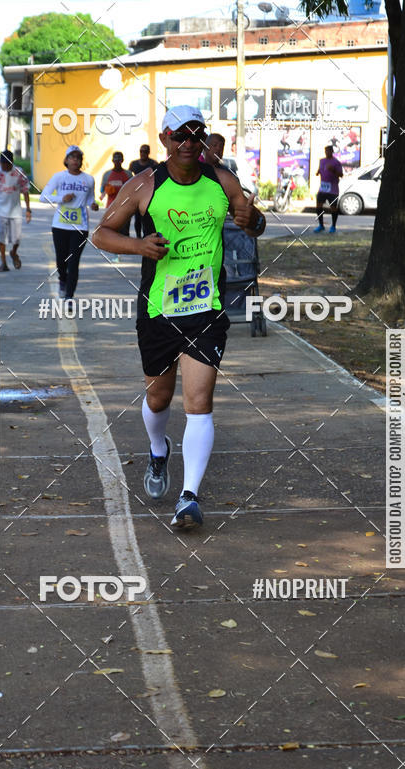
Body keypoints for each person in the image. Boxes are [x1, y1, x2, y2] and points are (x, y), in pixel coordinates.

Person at [92, 105, 266, 528]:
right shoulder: (144, 185)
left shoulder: (223, 181)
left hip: (205, 309)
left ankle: (189, 497)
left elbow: (252, 223)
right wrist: (140, 247)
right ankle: (157, 450)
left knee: (199, 403)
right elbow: (101, 233)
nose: (189, 143)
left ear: (203, 138)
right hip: (159, 309)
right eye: (181, 136)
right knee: (158, 398)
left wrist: (253, 220)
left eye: (196, 135)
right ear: (167, 138)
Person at [40, 145, 98, 301]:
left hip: (80, 226)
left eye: (78, 157)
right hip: (60, 225)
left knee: (74, 262)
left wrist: (93, 205)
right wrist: (61, 199)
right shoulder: (59, 177)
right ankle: (62, 280)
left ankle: (69, 296)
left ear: (81, 161)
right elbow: (42, 197)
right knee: (61, 259)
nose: (75, 160)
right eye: (72, 157)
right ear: (66, 160)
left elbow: (90, 199)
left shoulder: (88, 179)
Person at [0, 149, 31, 272]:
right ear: (0, 163)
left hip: (15, 210)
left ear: (12, 162)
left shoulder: (19, 172)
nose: (5, 166)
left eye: (7, 164)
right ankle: (3, 263)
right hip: (0, 211)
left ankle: (14, 252)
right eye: (3, 163)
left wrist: (28, 209)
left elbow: (25, 191)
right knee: (1, 238)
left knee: (16, 238)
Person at [100, 152, 132, 259]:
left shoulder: (128, 174)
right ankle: (116, 253)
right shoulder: (107, 174)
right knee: (113, 229)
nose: (117, 162)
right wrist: (105, 192)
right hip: (111, 206)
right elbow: (102, 189)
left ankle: (123, 251)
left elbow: (133, 189)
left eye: (119, 160)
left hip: (125, 206)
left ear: (122, 160)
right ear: (112, 161)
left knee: (124, 229)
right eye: (115, 159)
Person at [129, 145, 157, 238]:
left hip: (149, 194)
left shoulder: (153, 164)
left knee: (146, 217)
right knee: (137, 218)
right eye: (141, 151)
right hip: (137, 194)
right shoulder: (134, 164)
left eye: (145, 151)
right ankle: (138, 236)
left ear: (148, 152)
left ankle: (147, 236)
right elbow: (130, 178)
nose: (143, 153)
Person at [314, 145, 343, 233]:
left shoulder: (336, 162)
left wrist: (333, 170)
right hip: (323, 188)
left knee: (333, 208)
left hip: (333, 190)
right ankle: (321, 225)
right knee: (318, 207)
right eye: (325, 151)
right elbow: (320, 169)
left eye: (328, 151)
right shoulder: (322, 161)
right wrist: (318, 172)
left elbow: (341, 175)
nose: (326, 153)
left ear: (332, 152)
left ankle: (333, 226)